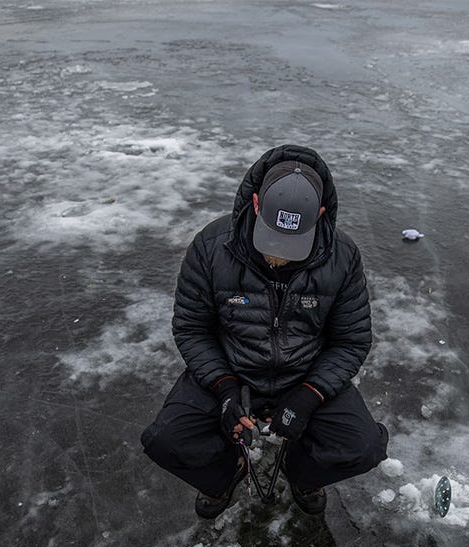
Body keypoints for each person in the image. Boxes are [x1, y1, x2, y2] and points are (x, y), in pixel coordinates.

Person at [141, 144, 388, 519]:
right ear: (256, 204)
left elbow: (351, 340)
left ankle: (300, 470)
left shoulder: (343, 256)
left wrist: (310, 394)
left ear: (320, 215)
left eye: (293, 243)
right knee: (165, 441)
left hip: (304, 375)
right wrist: (223, 389)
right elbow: (192, 329)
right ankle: (225, 473)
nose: (280, 256)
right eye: (273, 237)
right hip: (233, 372)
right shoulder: (210, 246)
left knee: (364, 447)